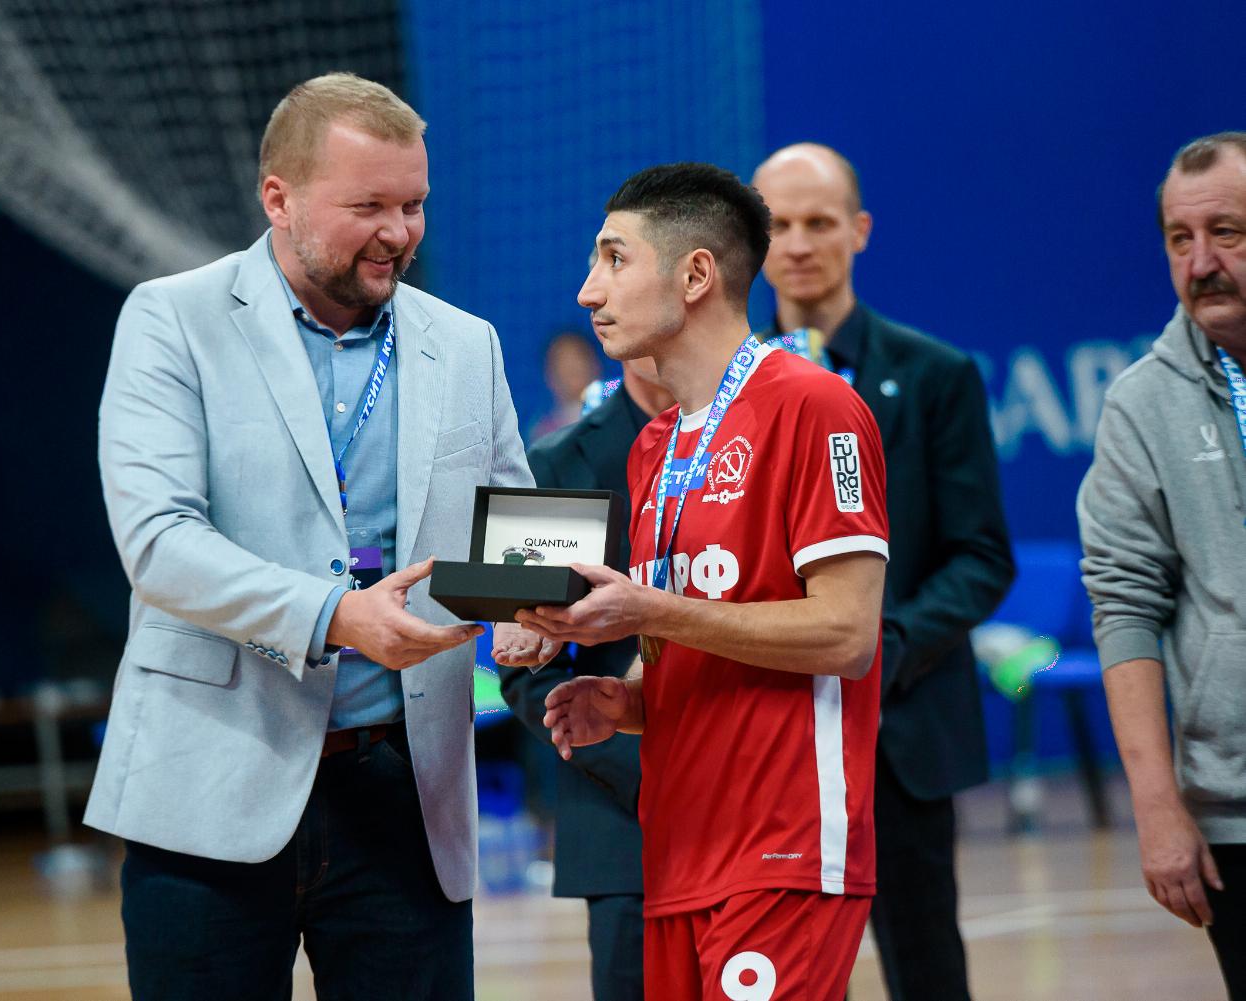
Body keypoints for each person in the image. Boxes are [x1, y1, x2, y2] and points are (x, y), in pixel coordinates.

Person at [84, 73, 552, 1001]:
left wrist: (532, 610)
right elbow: (159, 541)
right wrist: (338, 615)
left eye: (414, 204)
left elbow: (513, 527)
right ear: (279, 199)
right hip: (210, 782)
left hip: (405, 798)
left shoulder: (466, 342)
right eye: (368, 206)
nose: (399, 232)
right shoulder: (172, 320)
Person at [520, 162, 889, 1001]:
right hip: (677, 851)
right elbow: (698, 636)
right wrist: (627, 701)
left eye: (614, 259)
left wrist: (649, 608)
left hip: (784, 849)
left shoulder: (817, 407)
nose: (588, 291)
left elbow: (847, 634)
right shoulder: (655, 449)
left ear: (695, 276)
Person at [751, 143, 1014, 1001]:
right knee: (765, 974)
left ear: (859, 230)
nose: (798, 244)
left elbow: (982, 556)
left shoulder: (936, 376)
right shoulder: (722, 387)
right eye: (779, 224)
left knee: (926, 967)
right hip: (762, 734)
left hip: (901, 729)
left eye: (819, 222)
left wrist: (884, 643)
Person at [1078, 130, 1246, 999]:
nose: (1202, 262)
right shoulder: (1141, 404)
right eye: (1181, 239)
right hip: (1236, 810)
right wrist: (1155, 804)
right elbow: (1125, 605)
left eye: (1228, 233)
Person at [501, 355, 674, 1001]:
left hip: (756, 801)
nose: (597, 305)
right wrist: (643, 767)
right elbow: (522, 665)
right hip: (620, 810)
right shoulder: (554, 462)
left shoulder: (766, 437)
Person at [530, 330, 603, 439]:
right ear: (549, 375)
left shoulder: (618, 416)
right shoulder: (544, 434)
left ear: (595, 365)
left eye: (578, 357)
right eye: (562, 361)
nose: (572, 367)